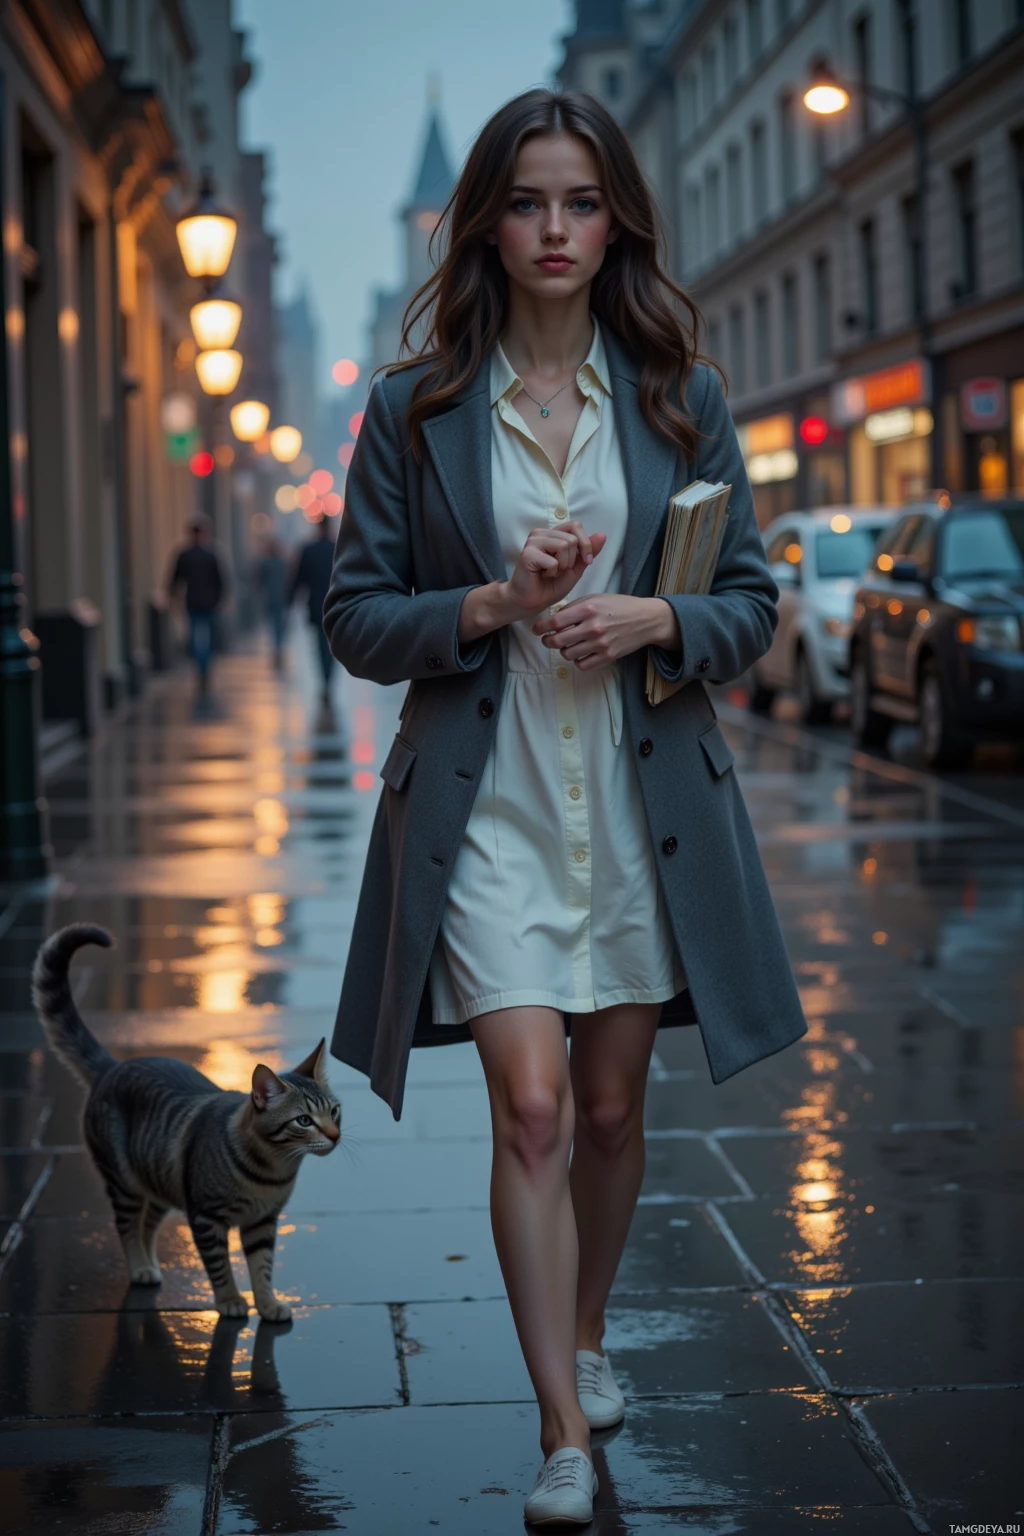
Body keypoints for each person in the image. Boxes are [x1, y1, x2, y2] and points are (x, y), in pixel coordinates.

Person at [322, 90, 807, 1528]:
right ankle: (556, 1431)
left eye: (580, 203)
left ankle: (586, 1333)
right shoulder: (412, 408)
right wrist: (489, 601)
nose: (553, 229)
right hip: (488, 808)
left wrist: (659, 616)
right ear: (486, 222)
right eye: (527, 202)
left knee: (605, 1112)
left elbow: (752, 603)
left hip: (644, 813)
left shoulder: (677, 393)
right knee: (528, 1108)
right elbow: (354, 616)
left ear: (615, 224)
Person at [167, 516, 228, 696]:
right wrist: (222, 598)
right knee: (208, 636)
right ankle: (204, 667)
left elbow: (175, 578)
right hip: (209, 602)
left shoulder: (184, 555)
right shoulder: (211, 554)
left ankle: (201, 667)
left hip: (193, 601)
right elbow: (221, 579)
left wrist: (173, 596)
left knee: (195, 635)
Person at [288, 516, 337, 705]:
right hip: (336, 605)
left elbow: (299, 578)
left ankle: (324, 680)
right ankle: (328, 679)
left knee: (319, 645)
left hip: (316, 606)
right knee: (333, 645)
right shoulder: (337, 549)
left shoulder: (308, 550)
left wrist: (290, 599)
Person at [253, 536, 289, 671]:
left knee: (273, 625)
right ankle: (279, 649)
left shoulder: (265, 563)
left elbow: (259, 582)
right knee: (280, 626)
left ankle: (276, 648)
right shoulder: (283, 563)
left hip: (270, 599)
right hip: (282, 598)